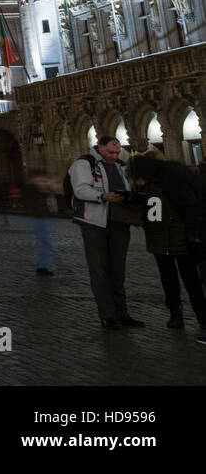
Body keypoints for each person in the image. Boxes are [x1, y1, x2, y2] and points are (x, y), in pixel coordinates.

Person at [69, 135, 144, 330]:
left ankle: (122, 312)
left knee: (118, 270)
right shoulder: (84, 164)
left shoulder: (121, 166)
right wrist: (101, 196)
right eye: (110, 152)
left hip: (120, 222)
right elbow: (80, 190)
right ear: (100, 147)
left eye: (117, 152)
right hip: (94, 223)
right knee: (100, 270)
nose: (114, 155)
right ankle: (107, 316)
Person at [129, 152, 206, 335]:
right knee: (168, 279)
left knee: (191, 279)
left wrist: (192, 234)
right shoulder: (153, 183)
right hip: (160, 238)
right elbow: (150, 209)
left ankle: (202, 317)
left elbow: (189, 206)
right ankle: (175, 313)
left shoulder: (170, 178)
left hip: (179, 237)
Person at [24, 167, 59, 275]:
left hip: (42, 217)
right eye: (41, 178)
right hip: (38, 218)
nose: (43, 180)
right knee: (45, 243)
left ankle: (42, 265)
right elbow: (33, 203)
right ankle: (41, 266)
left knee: (45, 243)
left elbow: (50, 194)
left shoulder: (39, 188)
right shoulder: (32, 188)